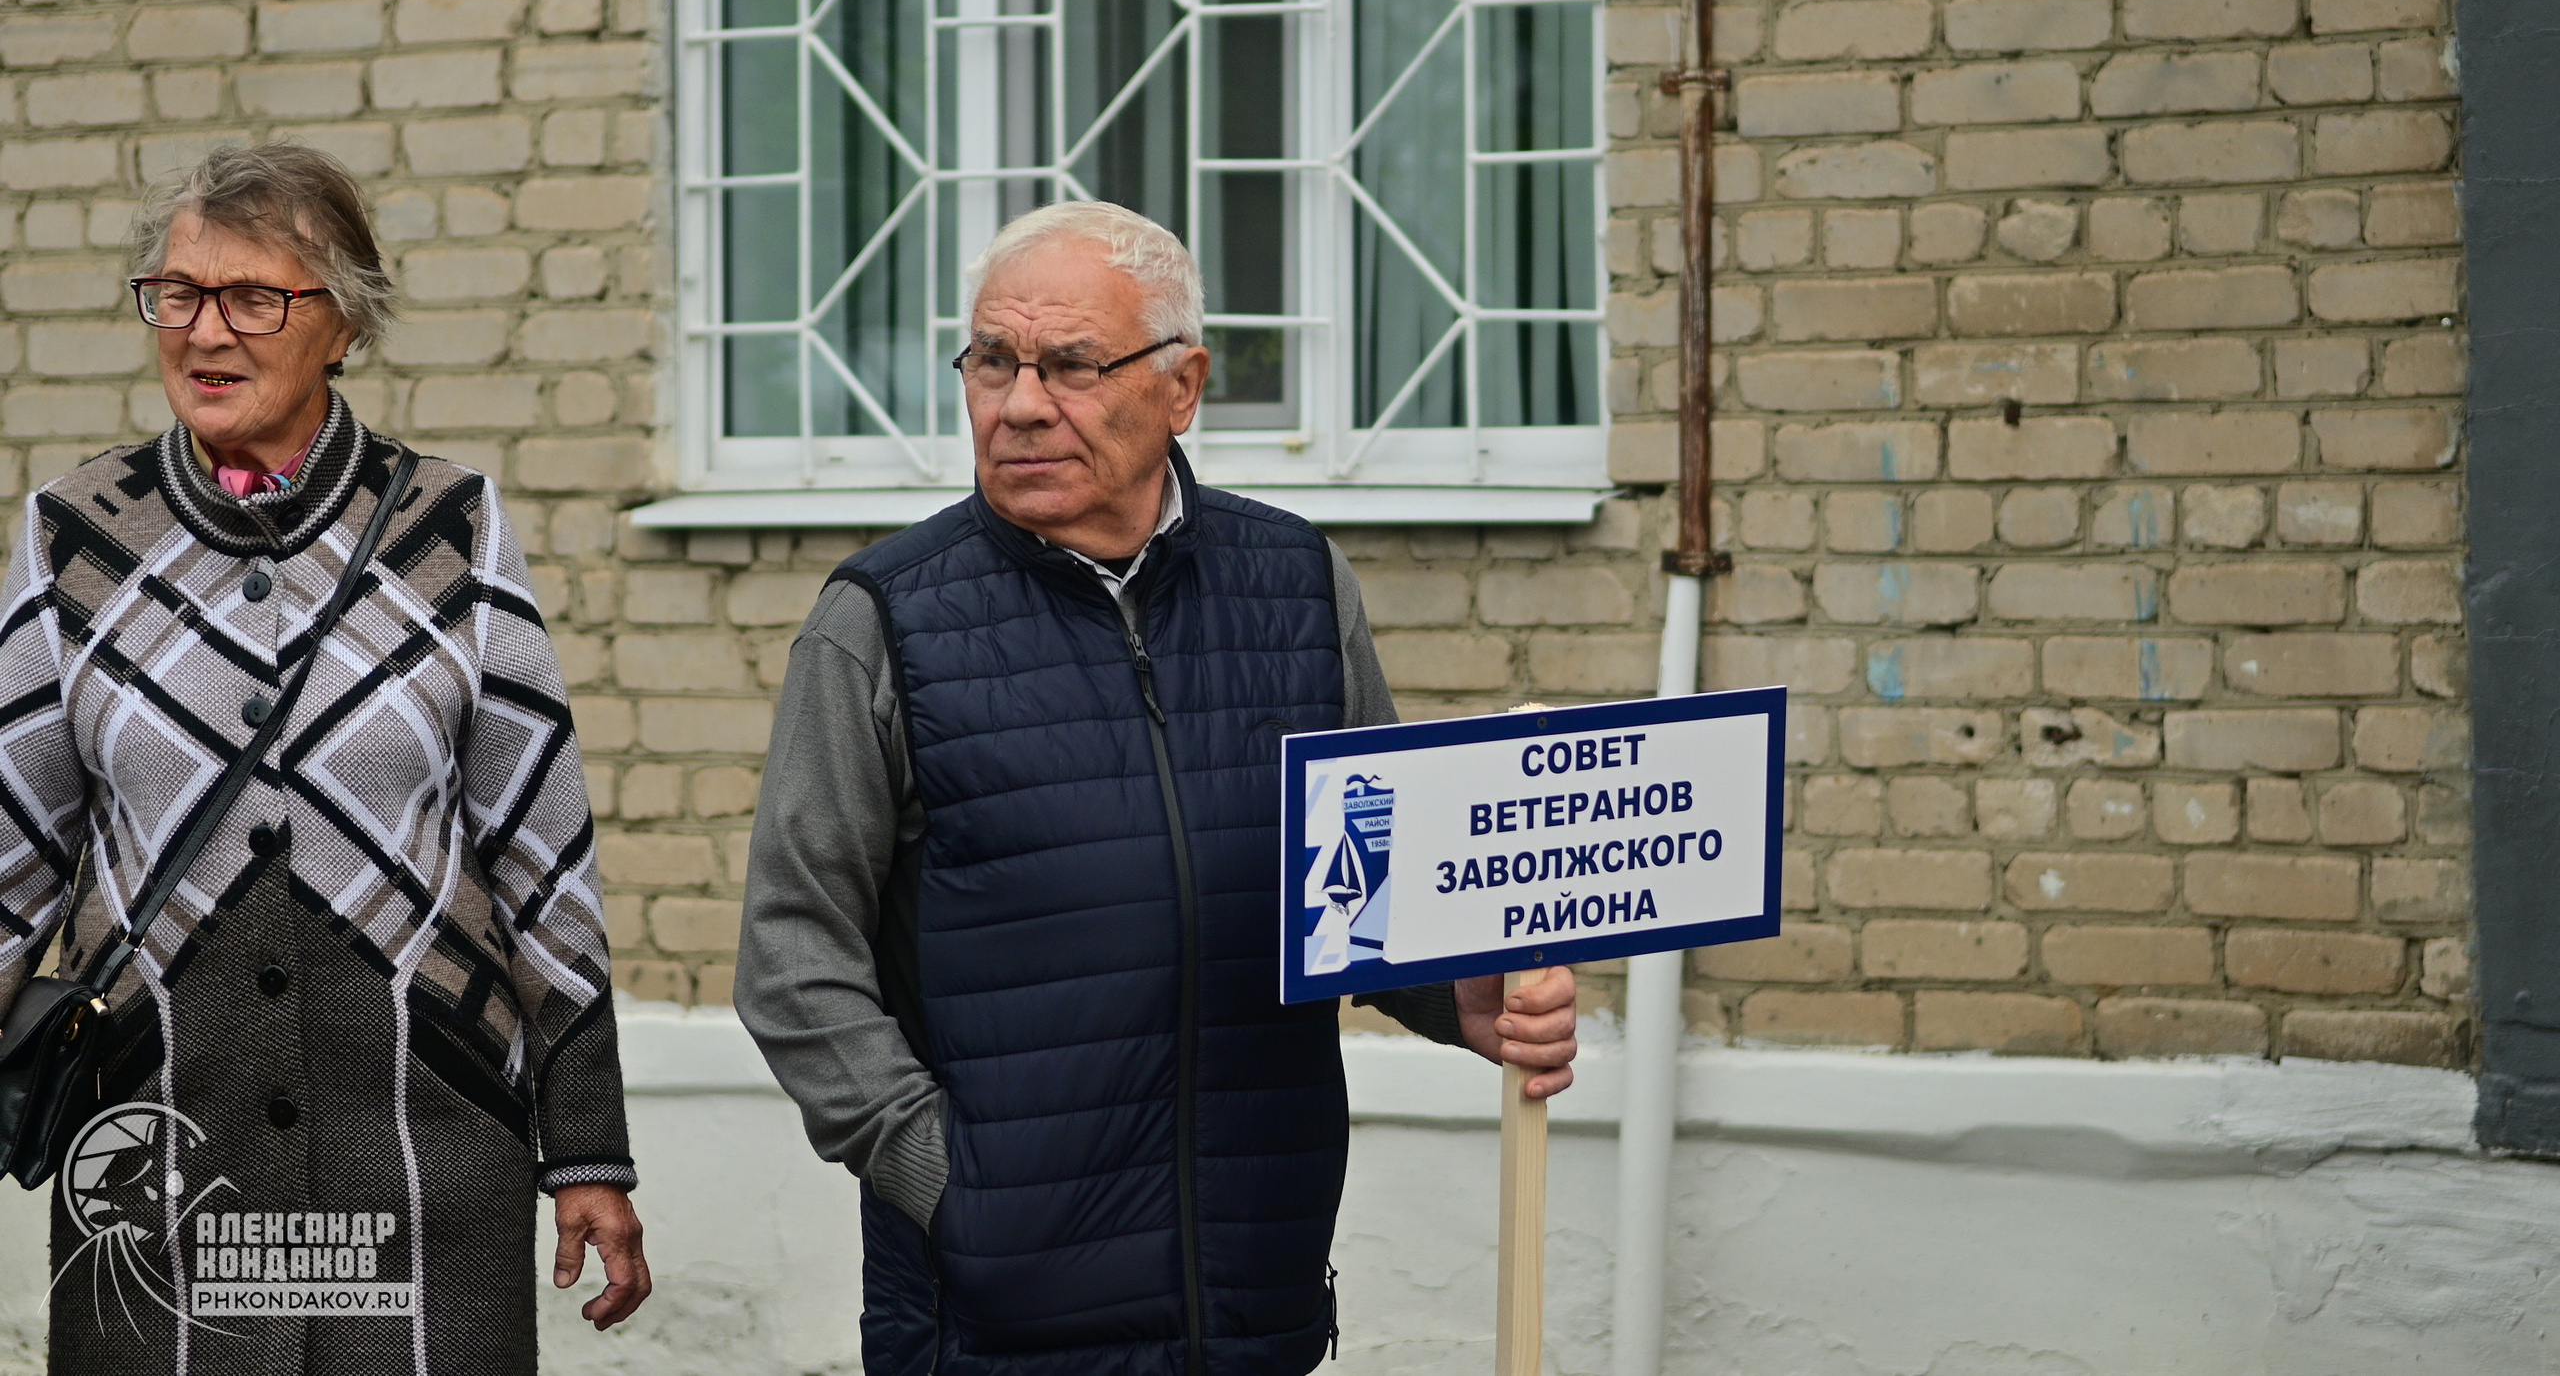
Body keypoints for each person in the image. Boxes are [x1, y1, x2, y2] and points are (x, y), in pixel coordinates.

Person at [737, 201, 1579, 1376]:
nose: (1020, 402)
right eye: (991, 360)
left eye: (1071, 365)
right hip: (993, 1322)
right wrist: (944, 1179)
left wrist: (1463, 997)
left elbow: (1360, 891)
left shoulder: (1295, 584)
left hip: (1251, 1299)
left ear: (1181, 387)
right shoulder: (884, 619)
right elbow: (792, 949)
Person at [0, 143, 649, 1373]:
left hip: (426, 1145)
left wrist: (588, 1151)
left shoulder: (454, 531)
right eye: (178, 292)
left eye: (255, 297)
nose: (205, 329)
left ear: (343, 319)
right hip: (157, 1156)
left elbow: (542, 855)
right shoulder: (73, 540)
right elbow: (9, 860)